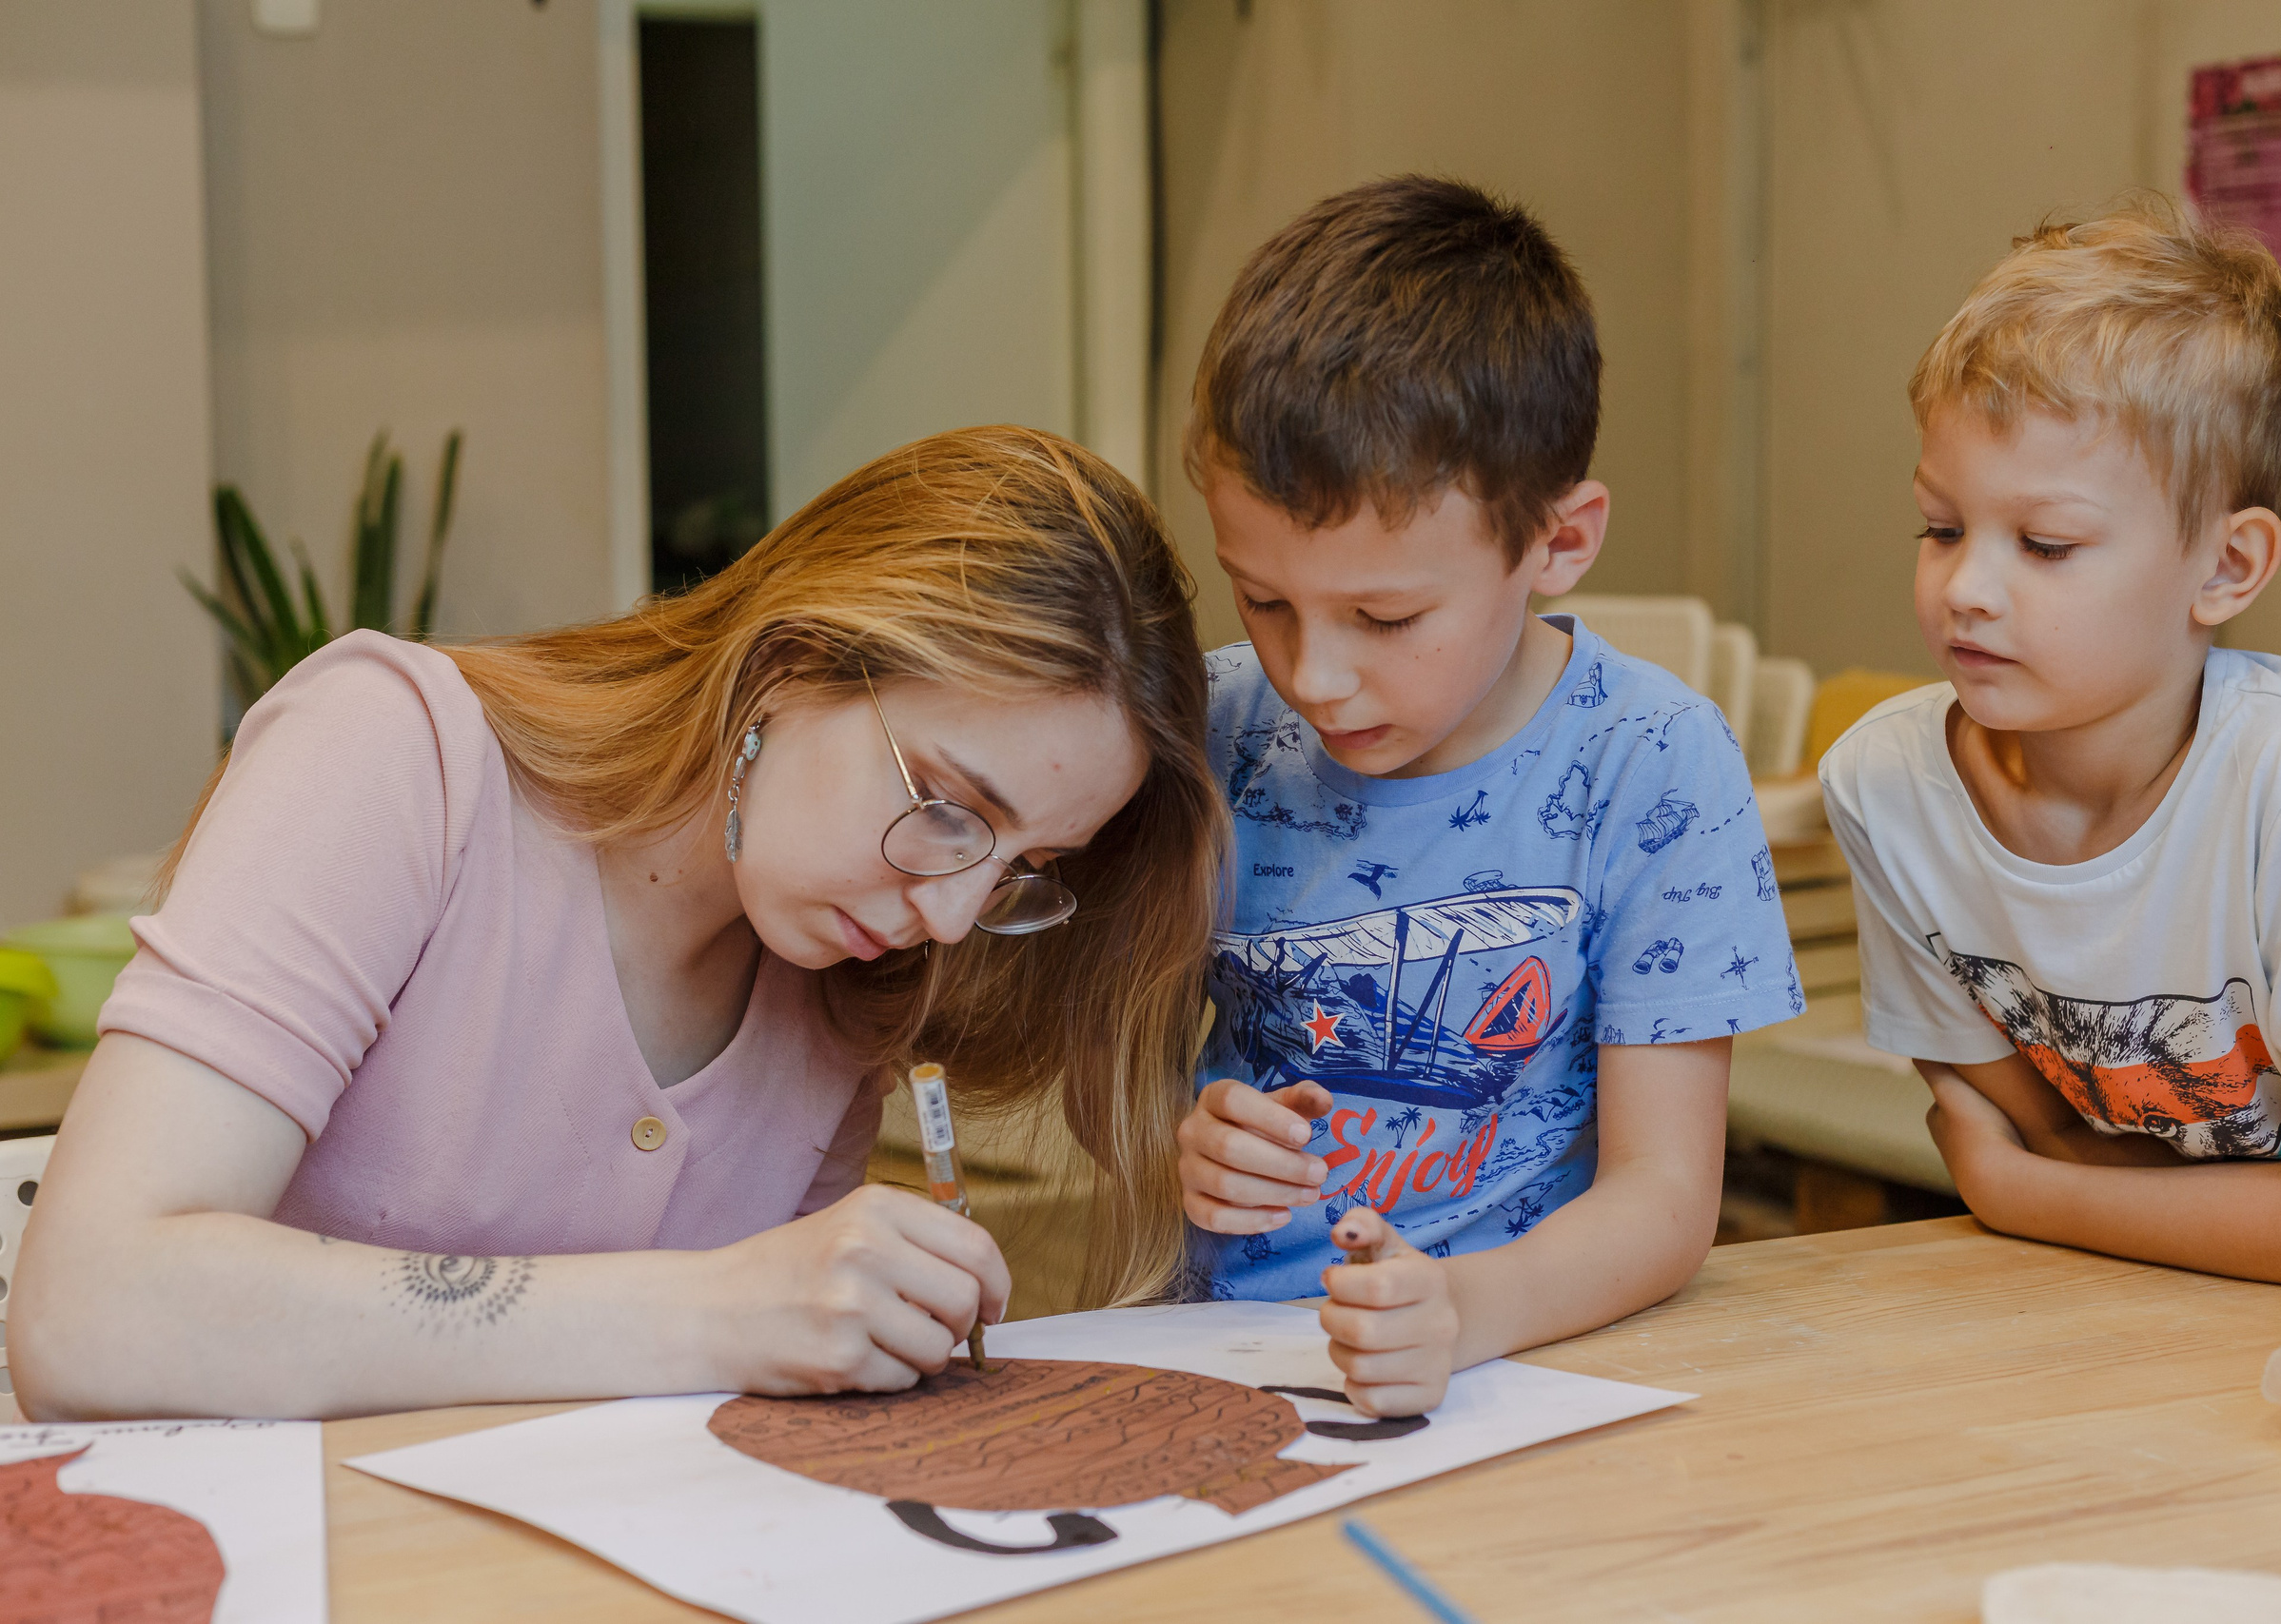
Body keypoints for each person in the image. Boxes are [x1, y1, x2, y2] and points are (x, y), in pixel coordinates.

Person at [13, 425, 1223, 1421]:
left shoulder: (842, 985)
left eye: (1027, 866)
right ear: (793, 657)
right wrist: (722, 1309)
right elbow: (89, 1311)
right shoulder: (397, 755)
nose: (952, 917)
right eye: (952, 810)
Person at [1171, 176, 1800, 1418]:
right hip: (1219, 1369)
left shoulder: (1652, 761)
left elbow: (1667, 1199)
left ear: (1560, 542)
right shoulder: (1214, 725)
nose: (1315, 673)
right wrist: (1177, 1145)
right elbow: (1101, 1070)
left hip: (1519, 1374)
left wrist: (1466, 1313)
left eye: (1387, 614)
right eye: (1261, 598)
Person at [1820, 197, 2281, 1287]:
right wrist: (2065, 1178)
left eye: (2046, 546)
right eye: (1941, 527)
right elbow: (2068, 1134)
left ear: (2227, 568)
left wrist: (2016, 1195)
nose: (1965, 588)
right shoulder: (1887, 787)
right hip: (2148, 1290)